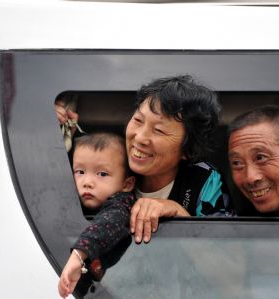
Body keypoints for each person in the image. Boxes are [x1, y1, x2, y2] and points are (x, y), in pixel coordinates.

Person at [127, 75, 233, 244]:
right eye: (138, 120)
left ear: (188, 150)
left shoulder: (204, 180)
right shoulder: (111, 162)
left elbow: (230, 264)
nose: (140, 138)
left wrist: (177, 211)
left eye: (159, 131)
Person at [58, 132, 136, 298]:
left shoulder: (122, 204)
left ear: (127, 184)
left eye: (102, 174)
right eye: (80, 171)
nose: (87, 182)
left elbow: (109, 223)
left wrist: (79, 255)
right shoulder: (70, 200)